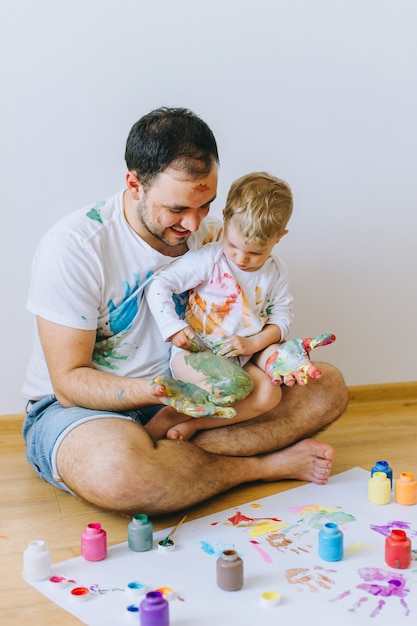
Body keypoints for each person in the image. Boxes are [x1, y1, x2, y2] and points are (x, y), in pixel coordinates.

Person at [22, 106, 348, 516]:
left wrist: (268, 354)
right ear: (134, 184)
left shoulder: (215, 239)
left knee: (327, 387)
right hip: (88, 409)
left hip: (198, 393)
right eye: (177, 209)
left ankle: (174, 454)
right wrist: (164, 394)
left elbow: (250, 320)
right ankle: (258, 468)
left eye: (206, 205)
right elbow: (69, 383)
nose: (194, 225)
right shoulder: (75, 247)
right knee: (119, 471)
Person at [145, 172, 296, 442]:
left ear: (279, 238)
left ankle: (198, 425)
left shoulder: (276, 271)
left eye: (256, 253)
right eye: (233, 245)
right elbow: (159, 285)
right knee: (233, 384)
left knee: (270, 394)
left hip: (240, 358)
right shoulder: (210, 260)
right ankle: (167, 417)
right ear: (225, 217)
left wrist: (255, 343)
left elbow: (282, 318)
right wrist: (172, 327)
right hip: (195, 356)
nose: (241, 258)